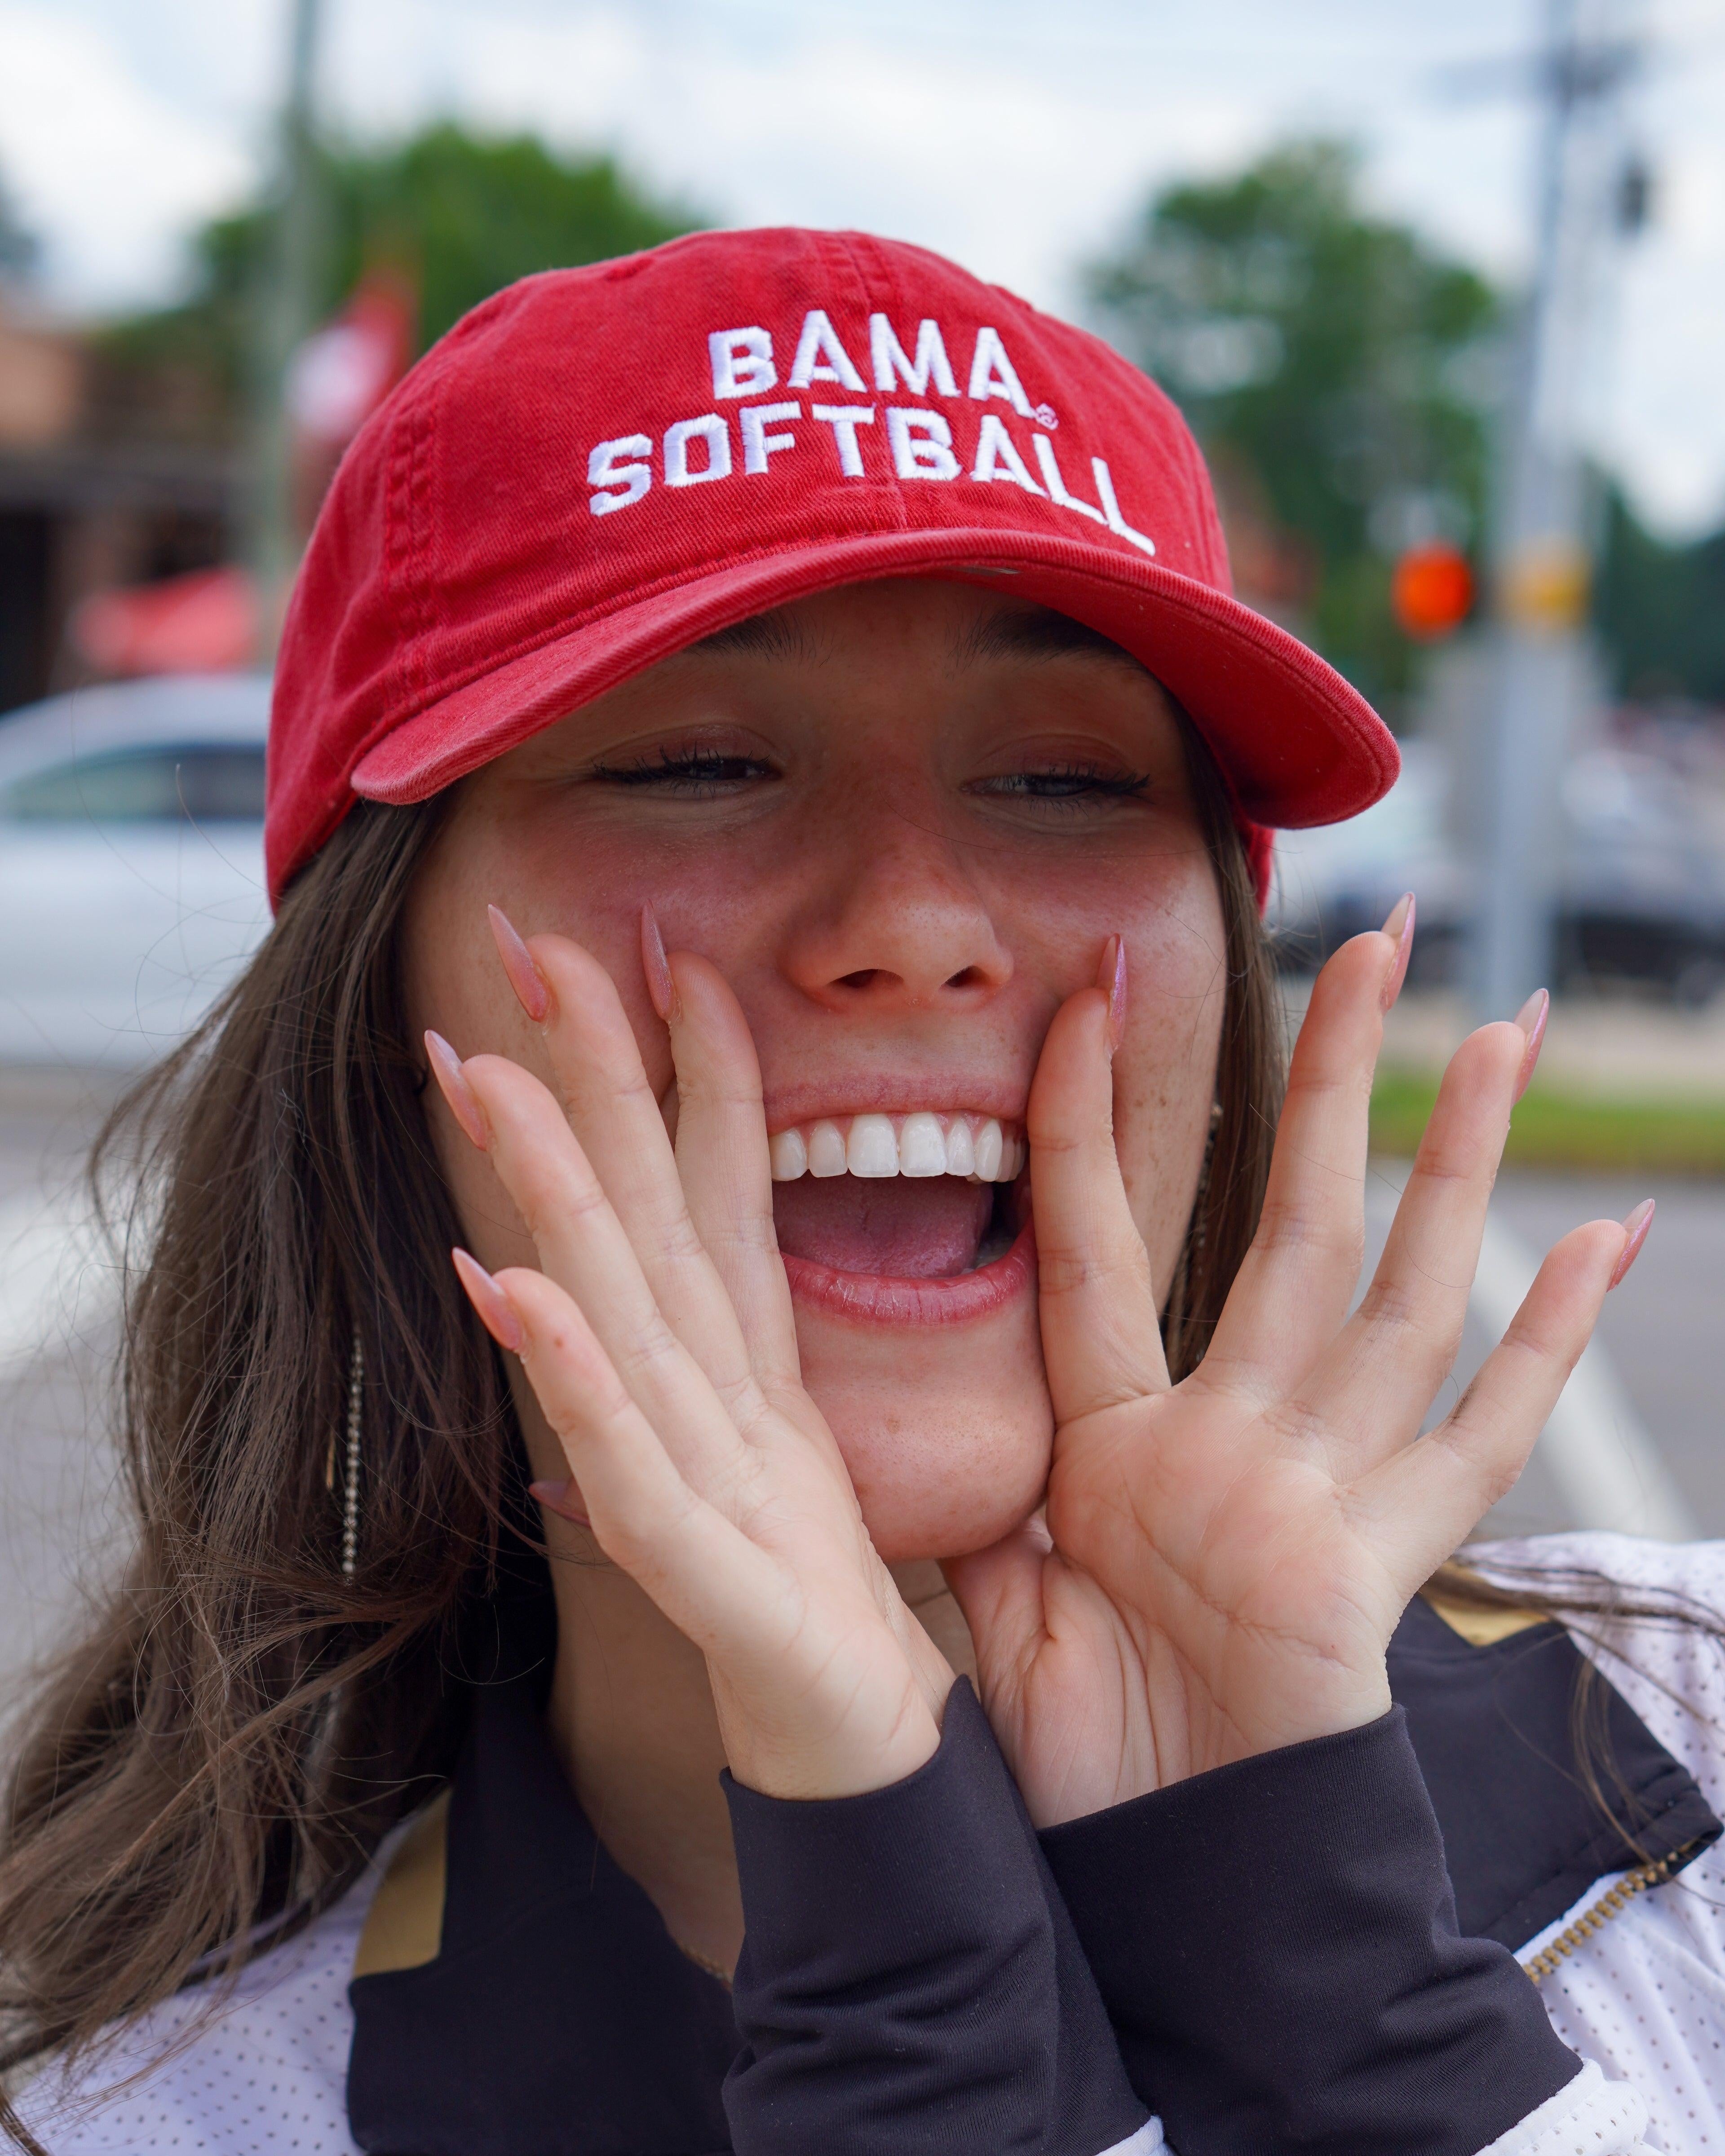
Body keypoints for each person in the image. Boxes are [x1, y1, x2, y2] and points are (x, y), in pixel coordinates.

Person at [2, 227, 1721, 2156]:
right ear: (377, 1019)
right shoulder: (152, 2120)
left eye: (1069, 782)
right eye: (699, 761)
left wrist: (1350, 2014)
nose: (912, 927)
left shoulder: (1704, 1724)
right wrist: (910, 2003)